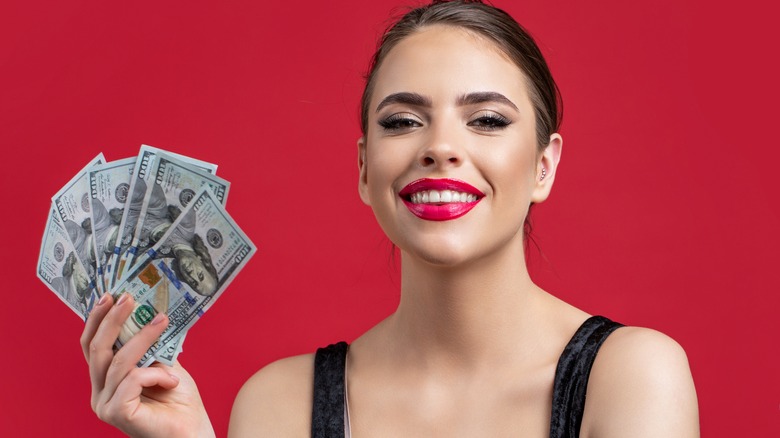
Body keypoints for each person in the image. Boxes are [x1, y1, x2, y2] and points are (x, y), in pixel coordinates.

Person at [80, 1, 699, 436]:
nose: (439, 147)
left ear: (544, 166)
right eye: (402, 121)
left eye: (486, 120)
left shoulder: (632, 375)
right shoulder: (278, 405)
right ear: (365, 168)